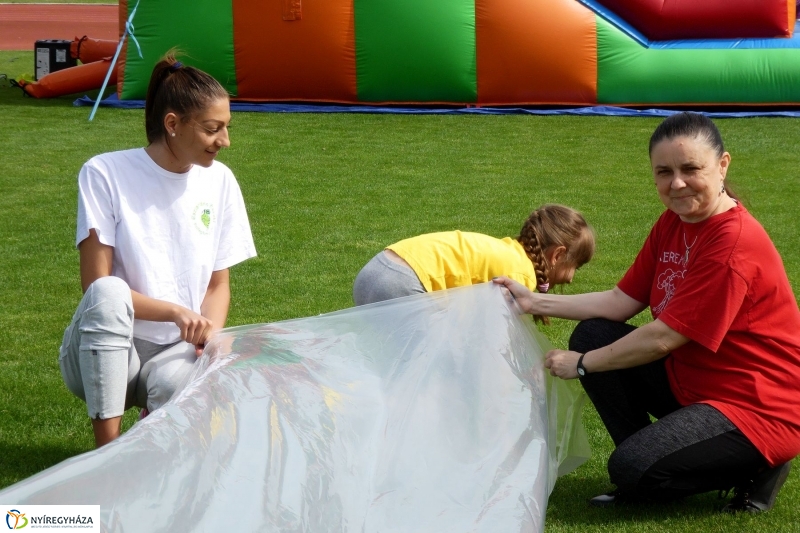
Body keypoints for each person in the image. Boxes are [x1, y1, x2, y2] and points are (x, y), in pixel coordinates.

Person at [494, 112, 800, 513]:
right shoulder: (674, 222)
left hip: (756, 407)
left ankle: (759, 463)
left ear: (723, 164)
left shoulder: (734, 245)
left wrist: (583, 365)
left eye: (691, 168)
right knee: (594, 333)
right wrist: (534, 301)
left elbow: (663, 338)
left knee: (630, 465)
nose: (676, 183)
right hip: (694, 383)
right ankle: (649, 463)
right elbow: (621, 302)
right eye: (664, 171)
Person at [59, 53, 257, 448]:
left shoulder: (221, 181)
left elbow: (218, 285)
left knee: (187, 423)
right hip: (100, 345)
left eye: (227, 128)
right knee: (111, 292)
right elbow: (97, 288)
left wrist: (210, 341)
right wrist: (174, 311)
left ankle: (154, 426)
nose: (225, 141)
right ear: (172, 124)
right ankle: (107, 454)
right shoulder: (104, 172)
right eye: (212, 129)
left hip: (176, 351)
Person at [353, 204, 595, 314]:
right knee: (425, 372)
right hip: (403, 284)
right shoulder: (521, 274)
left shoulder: (509, 252)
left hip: (376, 271)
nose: (572, 279)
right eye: (576, 267)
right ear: (557, 255)